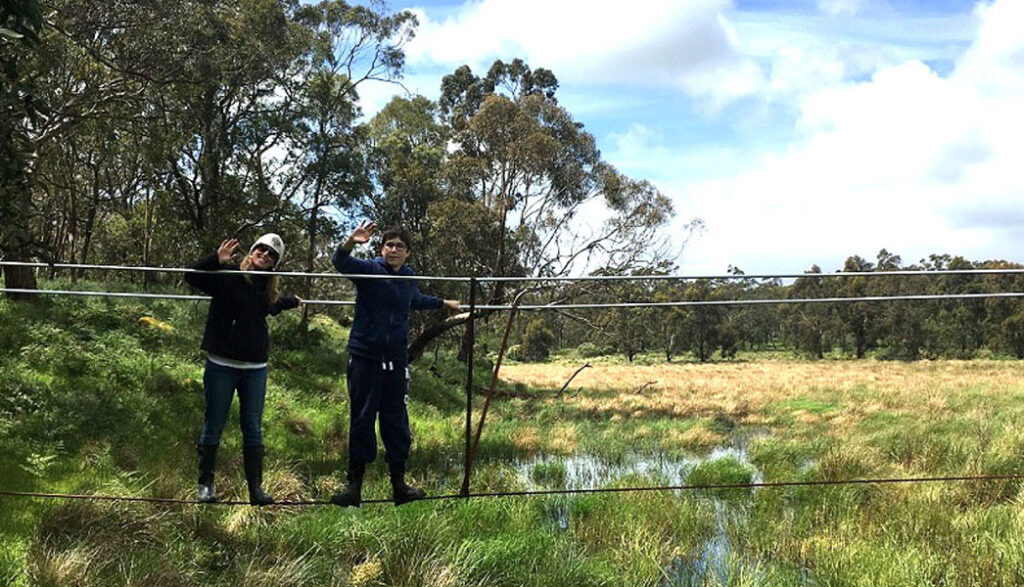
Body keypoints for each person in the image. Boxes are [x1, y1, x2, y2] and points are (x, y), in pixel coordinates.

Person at [330, 221, 461, 507]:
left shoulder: (409, 278)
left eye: (399, 246)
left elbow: (415, 300)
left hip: (395, 359)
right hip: (365, 356)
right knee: (362, 418)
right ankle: (354, 487)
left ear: (408, 253)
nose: (393, 249)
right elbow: (339, 261)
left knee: (396, 420)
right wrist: (351, 241)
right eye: (389, 245)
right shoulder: (370, 270)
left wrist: (443, 303)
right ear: (382, 249)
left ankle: (399, 485)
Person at [185, 234, 301, 505]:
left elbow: (273, 306)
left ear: (274, 263)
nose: (265, 254)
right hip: (221, 365)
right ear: (252, 251)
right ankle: (205, 486)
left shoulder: (267, 289)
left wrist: (293, 300)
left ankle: (256, 490)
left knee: (253, 428)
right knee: (214, 424)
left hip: (255, 368)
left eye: (272, 254)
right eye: (262, 249)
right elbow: (191, 276)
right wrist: (216, 259)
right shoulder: (228, 275)